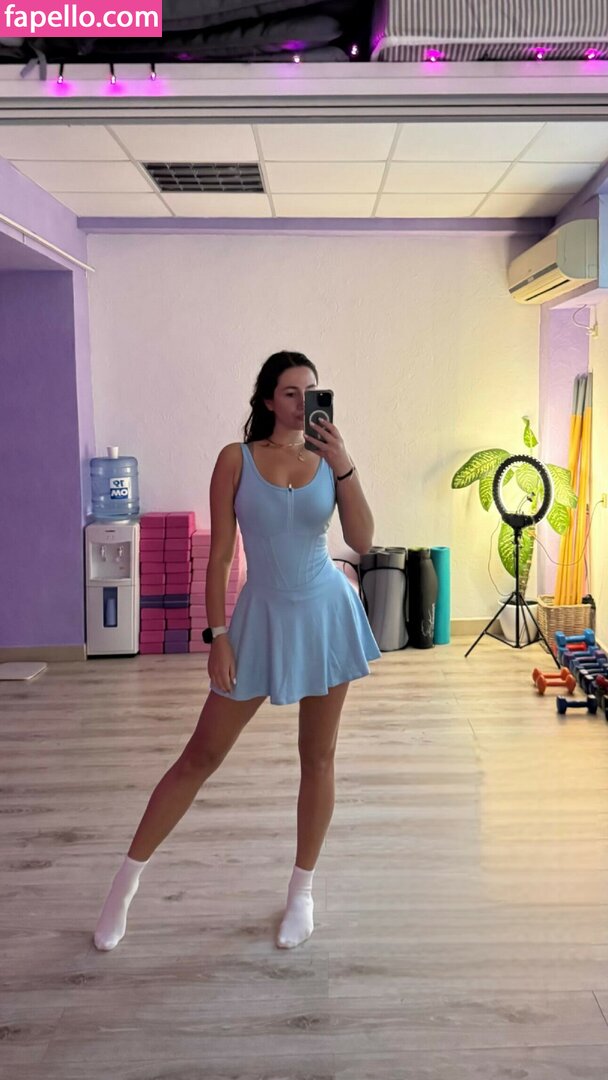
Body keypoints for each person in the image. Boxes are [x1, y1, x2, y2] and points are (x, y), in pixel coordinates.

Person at [93, 350, 381, 953]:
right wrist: (218, 635)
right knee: (200, 755)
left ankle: (301, 892)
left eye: (310, 391)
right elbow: (222, 554)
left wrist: (344, 464)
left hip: (326, 614)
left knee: (318, 758)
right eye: (290, 392)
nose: (302, 403)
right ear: (268, 399)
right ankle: (124, 884)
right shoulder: (236, 459)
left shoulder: (330, 461)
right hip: (259, 618)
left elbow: (361, 539)